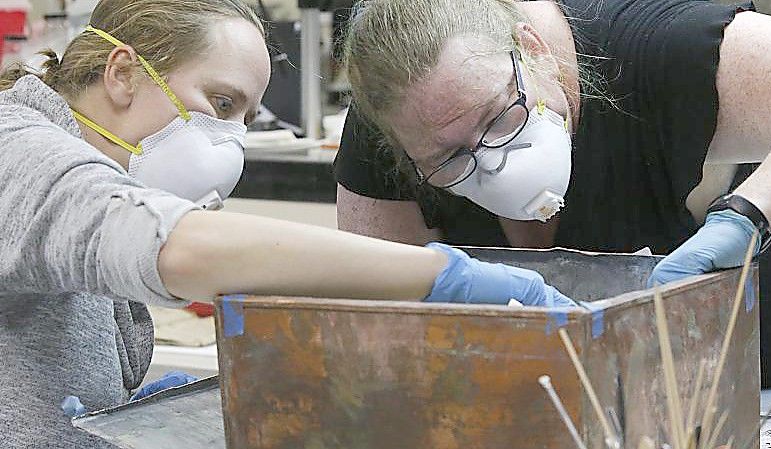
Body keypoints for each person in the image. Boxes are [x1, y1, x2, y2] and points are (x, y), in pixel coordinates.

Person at [0, 0, 576, 446]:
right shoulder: (14, 145)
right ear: (122, 72)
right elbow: (176, 247)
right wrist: (441, 275)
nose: (229, 144)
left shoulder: (98, 183)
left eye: (246, 119)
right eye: (220, 104)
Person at [334, 0, 771, 386]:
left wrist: (749, 214)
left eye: (499, 117)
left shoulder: (664, 49)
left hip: (764, 372)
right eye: (450, 158)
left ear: (532, 49)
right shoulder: (398, 124)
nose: (494, 164)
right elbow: (378, 337)